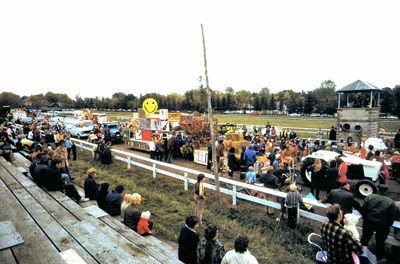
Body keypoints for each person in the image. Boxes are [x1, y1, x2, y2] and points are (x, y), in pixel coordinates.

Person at [361, 185, 397, 261]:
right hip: (382, 225)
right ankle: (379, 256)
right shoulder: (390, 202)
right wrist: (389, 225)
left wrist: (365, 218)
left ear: (378, 189)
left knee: (365, 238)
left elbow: (364, 209)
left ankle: (361, 252)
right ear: (386, 191)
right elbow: (392, 216)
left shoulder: (369, 197)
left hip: (369, 222)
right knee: (380, 241)